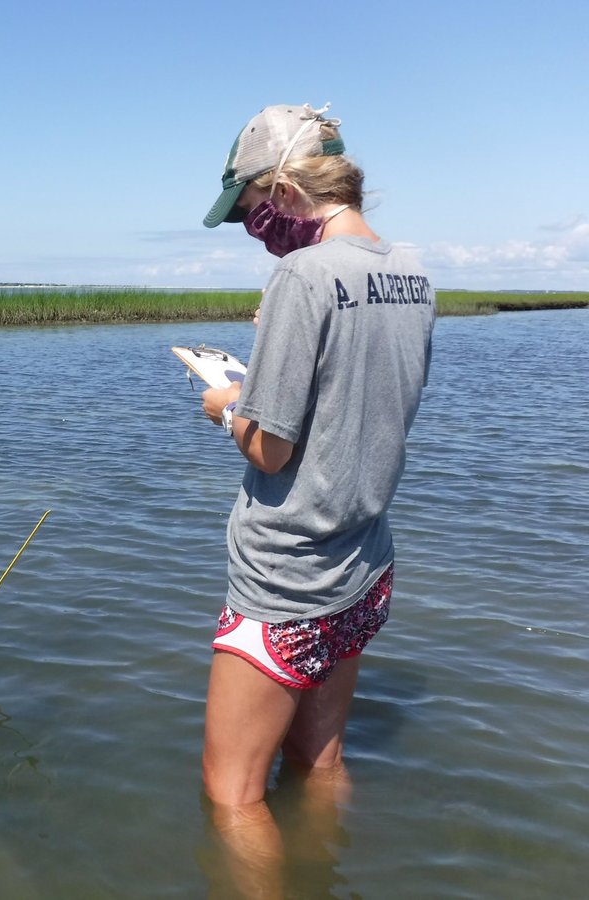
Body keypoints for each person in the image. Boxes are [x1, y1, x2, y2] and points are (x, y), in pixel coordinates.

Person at [197, 103, 434, 892]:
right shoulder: (411, 271)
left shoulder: (302, 275)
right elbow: (360, 402)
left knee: (232, 797)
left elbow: (272, 445)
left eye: (251, 207)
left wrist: (228, 402)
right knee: (320, 761)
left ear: (289, 186)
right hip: (365, 565)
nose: (249, 227)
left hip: (285, 575)